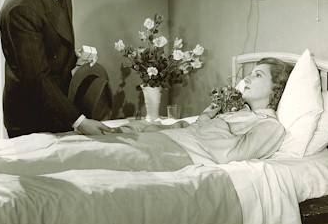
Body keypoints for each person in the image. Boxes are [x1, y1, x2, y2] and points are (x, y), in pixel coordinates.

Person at [0, 0, 112, 138]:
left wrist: (73, 58)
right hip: (31, 119)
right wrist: (80, 122)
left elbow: (47, 51)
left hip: (56, 109)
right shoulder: (22, 6)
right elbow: (36, 78)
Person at [118, 57, 293, 164]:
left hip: (182, 153)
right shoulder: (239, 112)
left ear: (276, 88)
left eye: (258, 75)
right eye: (251, 73)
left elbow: (230, 157)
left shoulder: (270, 126)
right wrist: (206, 117)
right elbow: (198, 131)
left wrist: (212, 122)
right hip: (173, 142)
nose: (247, 78)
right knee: (114, 144)